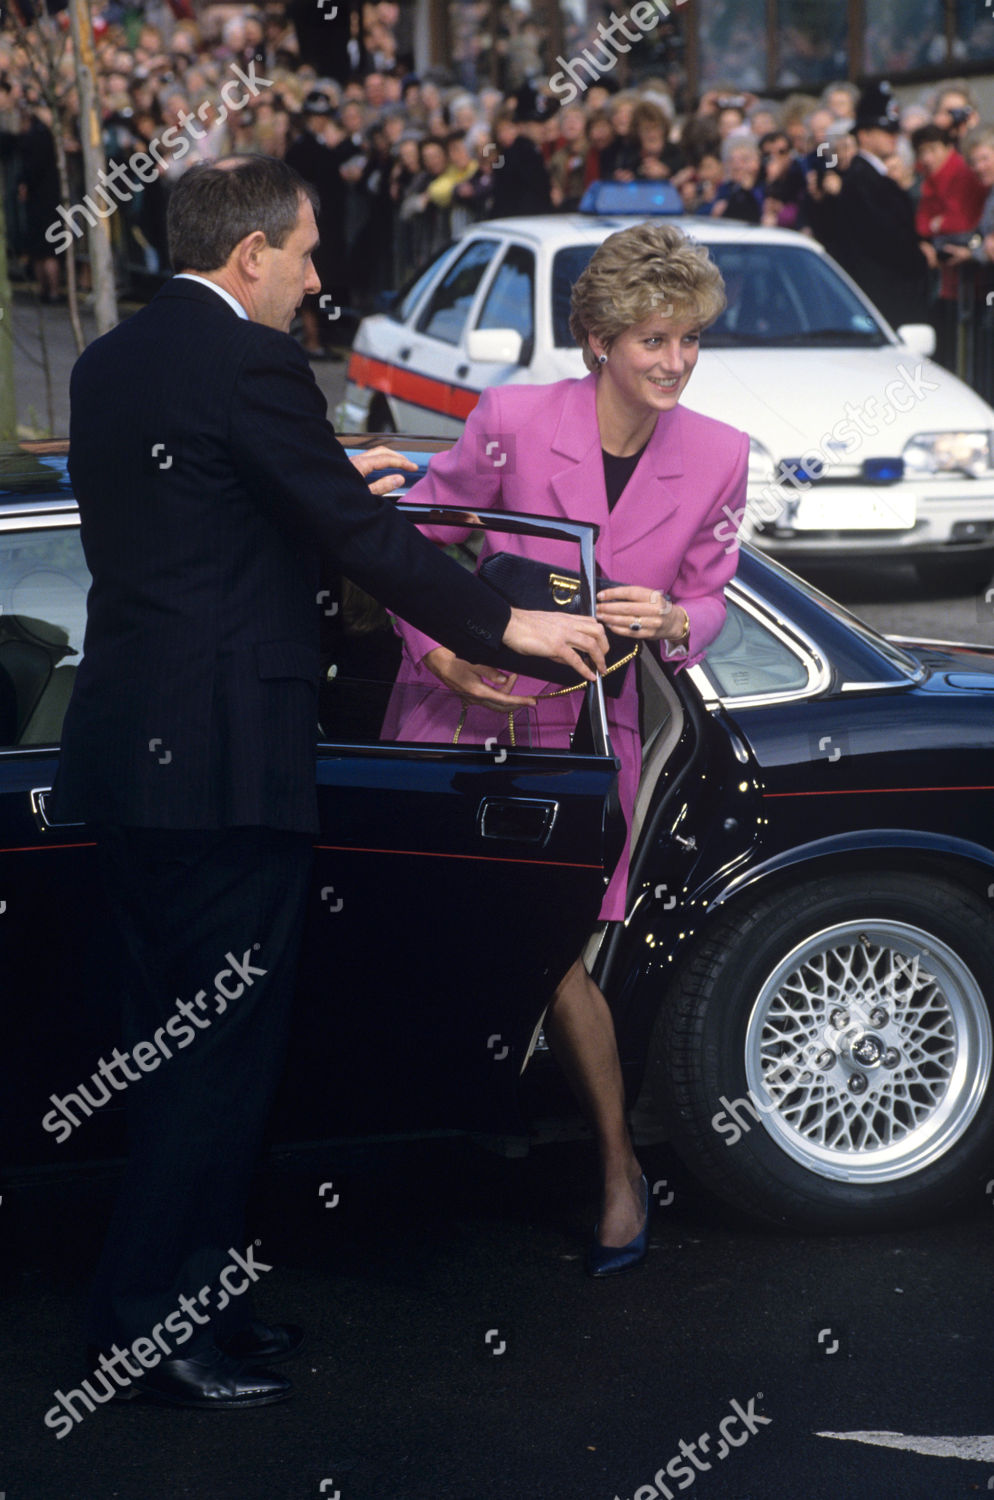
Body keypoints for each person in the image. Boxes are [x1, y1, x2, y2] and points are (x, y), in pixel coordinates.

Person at [51, 154, 608, 1414]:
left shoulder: (111, 359)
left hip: (137, 752)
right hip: (222, 764)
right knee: (214, 1064)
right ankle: (140, 1335)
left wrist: (311, 492)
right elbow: (360, 542)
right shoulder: (249, 362)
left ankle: (198, 1307)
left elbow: (187, 529)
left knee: (187, 1053)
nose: (315, 283)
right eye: (304, 255)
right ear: (249, 254)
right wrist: (503, 627)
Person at [383, 220, 748, 1276]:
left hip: (590, 734)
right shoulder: (508, 418)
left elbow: (708, 593)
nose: (674, 362)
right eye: (651, 340)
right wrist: (439, 658)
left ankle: (614, 1166)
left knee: (550, 946)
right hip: (459, 710)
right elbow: (412, 537)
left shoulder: (719, 453)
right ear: (596, 340)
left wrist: (680, 626)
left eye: (688, 341)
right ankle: (458, 1133)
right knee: (448, 939)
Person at [805, 80, 928, 332]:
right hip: (880, 299)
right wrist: (920, 256)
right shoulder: (863, 181)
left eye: (895, 131)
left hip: (886, 296)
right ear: (864, 135)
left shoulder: (872, 178)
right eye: (885, 131)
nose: (894, 138)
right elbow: (886, 239)